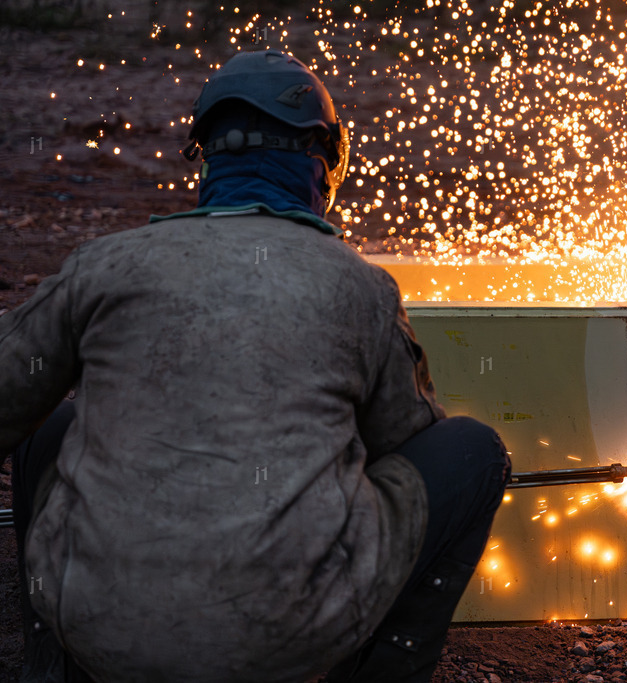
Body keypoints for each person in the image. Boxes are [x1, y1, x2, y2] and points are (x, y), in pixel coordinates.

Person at [1, 48, 510, 683]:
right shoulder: (359, 286)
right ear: (324, 164)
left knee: (52, 428)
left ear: (207, 158)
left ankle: (52, 670)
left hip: (100, 630)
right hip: (286, 643)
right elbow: (402, 443)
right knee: (470, 449)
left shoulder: (106, 264)